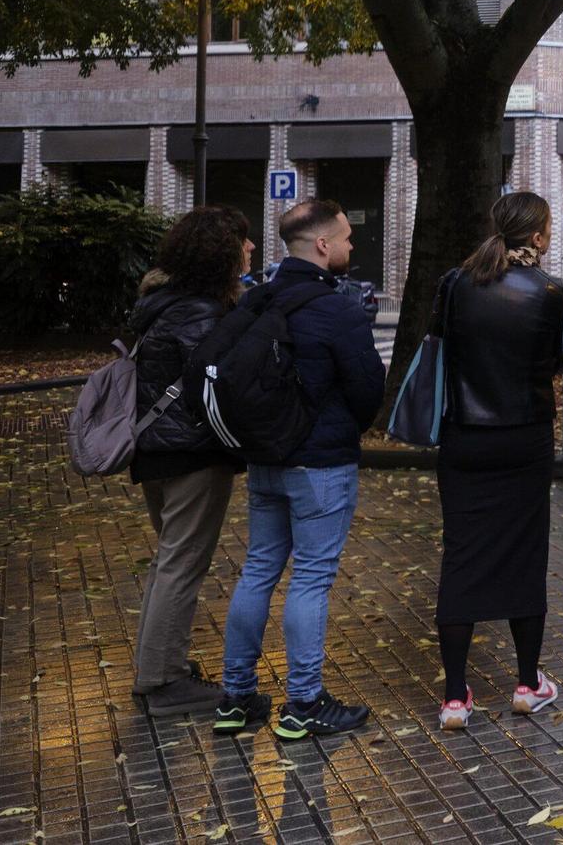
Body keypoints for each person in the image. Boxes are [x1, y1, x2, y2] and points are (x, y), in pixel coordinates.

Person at [215, 199, 386, 739]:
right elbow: (367, 388)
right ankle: (304, 703)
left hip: (265, 456)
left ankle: (236, 697)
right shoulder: (335, 309)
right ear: (321, 246)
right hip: (320, 463)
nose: (350, 246)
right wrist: (345, 429)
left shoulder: (258, 298)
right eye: (345, 238)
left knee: (258, 569)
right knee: (312, 578)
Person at [435, 193, 563, 732]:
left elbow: (442, 346)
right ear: (537, 236)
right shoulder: (554, 292)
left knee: (461, 554)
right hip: (525, 436)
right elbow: (558, 361)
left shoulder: (455, 283)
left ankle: (453, 696)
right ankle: (527, 682)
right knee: (524, 552)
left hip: (464, 435)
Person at [129, 206, 253, 715]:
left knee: (168, 560)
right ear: (220, 253)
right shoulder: (203, 312)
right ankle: (163, 682)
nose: (250, 250)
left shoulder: (158, 303)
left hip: (155, 448)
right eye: (242, 243)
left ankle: (154, 669)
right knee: (182, 562)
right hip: (192, 453)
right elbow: (216, 390)